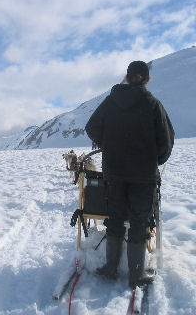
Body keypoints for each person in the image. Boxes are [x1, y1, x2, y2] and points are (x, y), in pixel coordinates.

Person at [85, 61, 174, 288]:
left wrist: (110, 146)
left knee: (114, 219)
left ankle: (110, 268)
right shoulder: (152, 104)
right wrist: (155, 160)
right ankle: (136, 275)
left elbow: (92, 127)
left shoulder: (111, 101)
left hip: (114, 173)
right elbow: (166, 140)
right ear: (146, 78)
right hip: (143, 175)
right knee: (138, 221)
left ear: (126, 77)